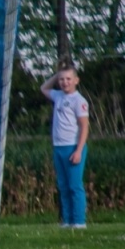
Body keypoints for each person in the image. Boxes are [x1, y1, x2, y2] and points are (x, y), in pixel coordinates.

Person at [42, 65, 90, 229]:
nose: (65, 82)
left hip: (73, 147)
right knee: (63, 185)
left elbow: (84, 127)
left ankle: (79, 221)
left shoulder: (79, 101)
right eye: (62, 79)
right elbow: (43, 88)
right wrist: (56, 75)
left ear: (76, 81)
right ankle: (67, 220)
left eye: (69, 79)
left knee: (74, 185)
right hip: (59, 147)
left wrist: (78, 150)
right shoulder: (58, 96)